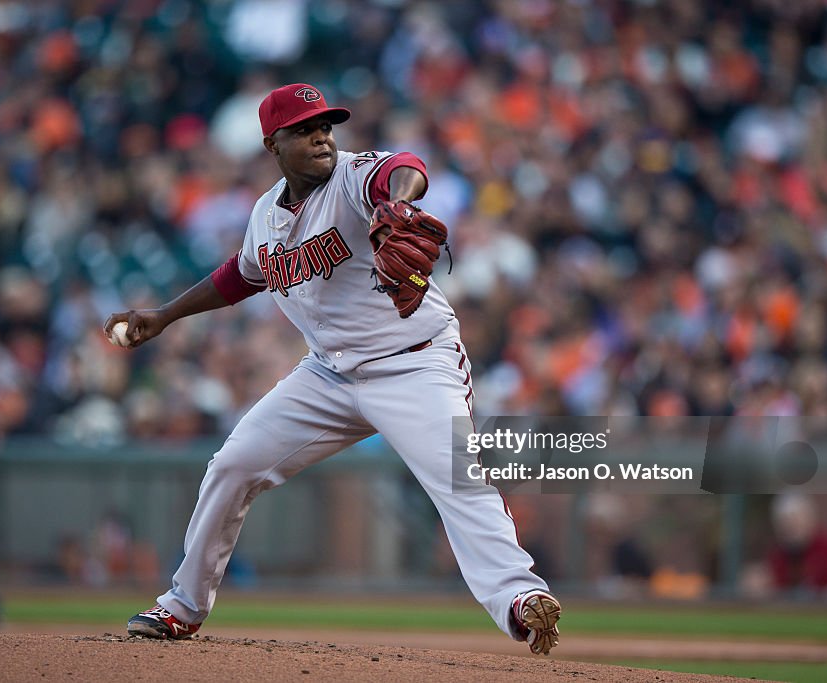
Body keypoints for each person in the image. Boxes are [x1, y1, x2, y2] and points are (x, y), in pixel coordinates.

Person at [104, 83, 560, 654]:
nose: (321, 136)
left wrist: (401, 202)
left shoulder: (354, 177)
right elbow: (241, 276)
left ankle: (520, 600)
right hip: (327, 376)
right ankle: (182, 607)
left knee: (456, 477)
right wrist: (166, 315)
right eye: (303, 129)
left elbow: (404, 166)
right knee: (233, 465)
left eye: (325, 125)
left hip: (414, 366)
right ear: (273, 143)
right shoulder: (266, 213)